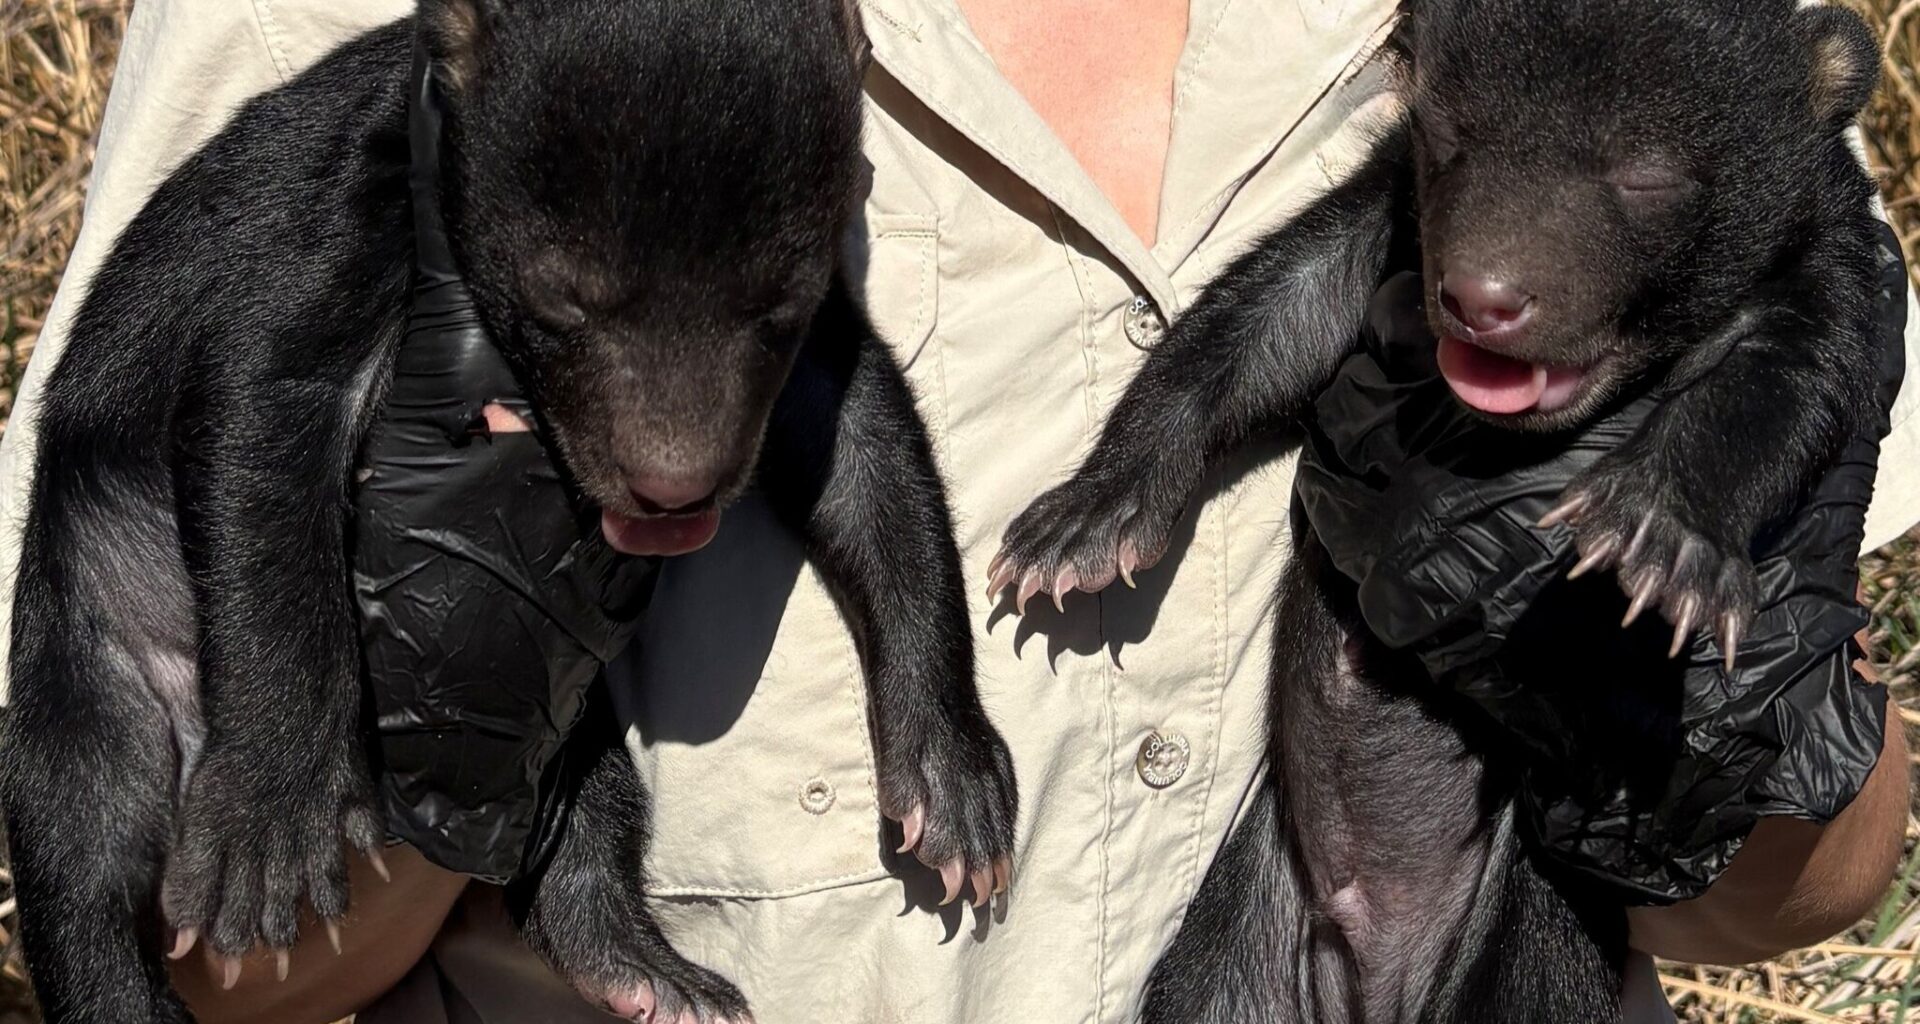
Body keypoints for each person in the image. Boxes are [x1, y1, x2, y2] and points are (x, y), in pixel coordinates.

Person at [0, 0, 1914, 1020]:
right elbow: (218, 963)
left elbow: (1824, 888)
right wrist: (455, 697)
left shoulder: (1644, 39)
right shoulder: (374, 38)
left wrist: (1677, 730)